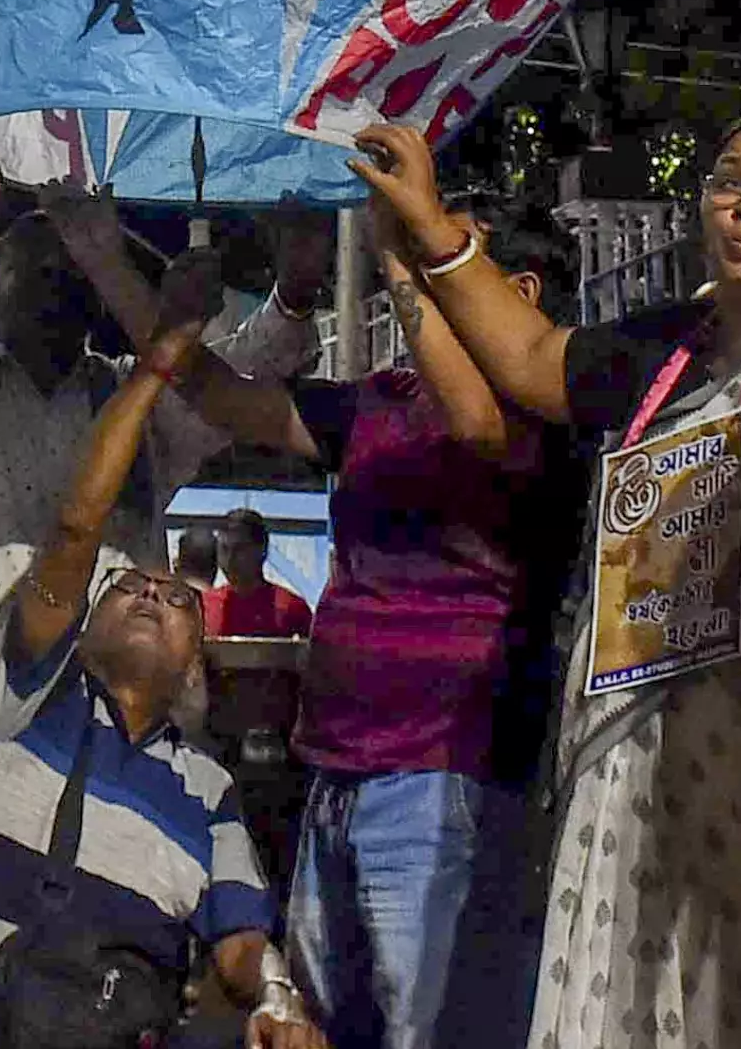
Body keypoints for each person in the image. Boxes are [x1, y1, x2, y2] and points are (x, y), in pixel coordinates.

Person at [384, 105, 741, 1049]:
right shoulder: (665, 346)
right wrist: (430, 230)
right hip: (631, 732)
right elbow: (528, 358)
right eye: (729, 181)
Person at [155, 142, 576, 1049]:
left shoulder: (544, 407)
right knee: (315, 1028)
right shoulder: (382, 398)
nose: (423, 268)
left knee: (431, 1028)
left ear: (524, 296)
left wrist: (393, 247)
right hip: (336, 771)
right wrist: (113, 263)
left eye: (449, 251)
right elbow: (221, 399)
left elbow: (474, 424)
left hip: (445, 774)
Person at [0, 310, 322, 1049]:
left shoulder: (208, 792)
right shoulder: (24, 704)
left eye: (180, 598)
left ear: (197, 657)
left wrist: (279, 1005)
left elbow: (240, 942)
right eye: (125, 589)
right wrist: (153, 371)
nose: (153, 593)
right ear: (78, 634)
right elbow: (74, 530)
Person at [207, 503, 314, 642]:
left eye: (239, 549)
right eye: (224, 549)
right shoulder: (206, 606)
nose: (230, 559)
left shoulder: (292, 608)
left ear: (261, 550)